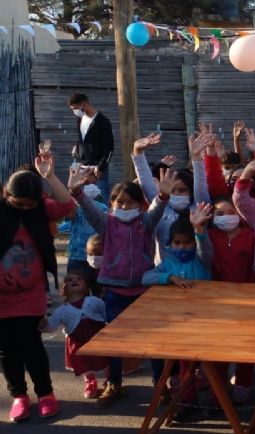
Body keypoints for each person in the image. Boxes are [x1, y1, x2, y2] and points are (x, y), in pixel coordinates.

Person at [69, 167, 177, 408]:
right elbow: (89, 210)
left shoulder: (145, 223)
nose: (125, 207)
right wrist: (77, 193)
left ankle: (161, 385)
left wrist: (163, 196)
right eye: (120, 202)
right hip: (115, 293)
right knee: (115, 342)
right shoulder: (107, 224)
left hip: (143, 292)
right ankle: (114, 384)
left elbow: (157, 210)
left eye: (131, 203)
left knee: (152, 342)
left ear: (140, 205)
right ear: (112, 204)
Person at [1, 156, 75, 422]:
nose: (24, 209)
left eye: (30, 205)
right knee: (7, 349)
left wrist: (51, 177)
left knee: (30, 344)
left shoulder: (41, 211)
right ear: (5, 194)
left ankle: (45, 394)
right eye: (18, 204)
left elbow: (67, 204)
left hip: (30, 294)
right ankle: (19, 395)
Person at [142, 209, 213, 421]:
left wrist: (199, 231)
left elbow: (205, 249)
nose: (182, 247)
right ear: (170, 244)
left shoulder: (202, 261)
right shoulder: (168, 264)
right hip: (177, 324)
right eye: (177, 243)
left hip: (204, 320)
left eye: (187, 243)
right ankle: (187, 402)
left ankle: (211, 399)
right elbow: (146, 277)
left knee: (206, 364)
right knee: (183, 364)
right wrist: (169, 277)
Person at [132, 131, 212, 262]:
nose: (177, 194)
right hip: (165, 273)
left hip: (196, 272)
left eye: (182, 190)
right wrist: (138, 151)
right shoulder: (161, 208)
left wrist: (196, 157)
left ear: (191, 192)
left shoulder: (199, 208)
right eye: (173, 191)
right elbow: (145, 182)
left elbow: (201, 186)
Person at [208, 196, 255, 403]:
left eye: (231, 212)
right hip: (218, 302)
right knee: (218, 346)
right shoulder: (210, 235)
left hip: (247, 301)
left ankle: (243, 384)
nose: (226, 217)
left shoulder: (250, 236)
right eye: (220, 213)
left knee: (246, 345)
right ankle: (218, 387)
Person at [40, 271, 108, 400]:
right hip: (77, 341)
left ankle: (111, 380)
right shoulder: (62, 310)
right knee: (84, 363)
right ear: (64, 289)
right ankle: (90, 382)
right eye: (69, 280)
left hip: (97, 337)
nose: (74, 281)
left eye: (79, 279)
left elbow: (105, 314)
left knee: (104, 359)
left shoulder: (94, 301)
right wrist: (44, 324)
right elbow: (52, 326)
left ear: (87, 287)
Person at [64, 172, 107, 296]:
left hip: (78, 256)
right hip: (96, 255)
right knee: (98, 291)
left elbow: (66, 217)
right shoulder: (103, 208)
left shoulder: (75, 208)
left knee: (75, 292)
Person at [69, 93, 114, 202]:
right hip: (79, 163)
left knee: (102, 196)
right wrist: (77, 149)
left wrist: (101, 166)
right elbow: (82, 138)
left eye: (76, 108)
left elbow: (109, 147)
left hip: (96, 167)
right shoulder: (80, 119)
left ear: (84, 105)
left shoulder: (103, 122)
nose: (75, 112)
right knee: (77, 195)